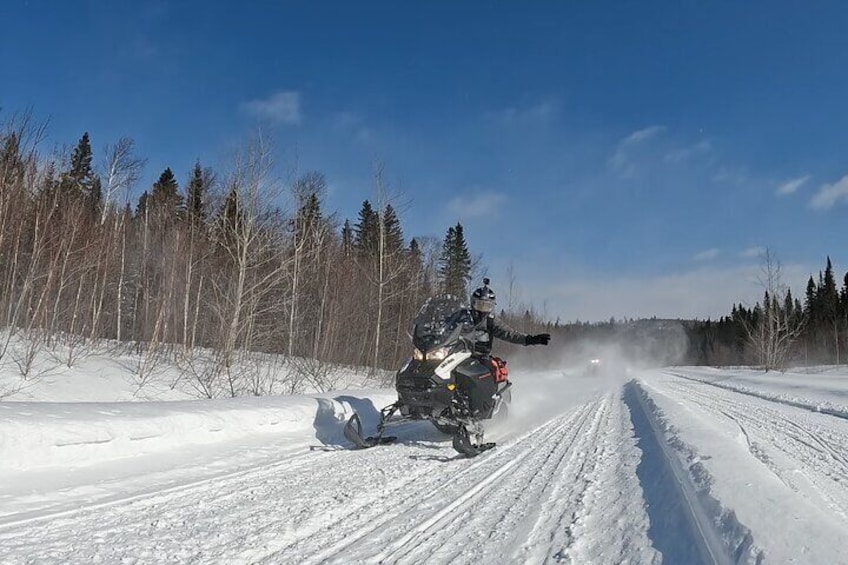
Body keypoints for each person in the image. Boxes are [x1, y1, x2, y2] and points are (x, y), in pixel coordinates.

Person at [457, 278, 550, 418]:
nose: (482, 309)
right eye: (480, 305)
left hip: (481, 356)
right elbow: (446, 328)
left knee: (485, 376)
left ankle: (482, 409)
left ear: (491, 307)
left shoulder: (491, 320)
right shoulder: (462, 316)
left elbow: (509, 334)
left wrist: (530, 339)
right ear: (472, 303)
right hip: (459, 354)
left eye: (486, 306)